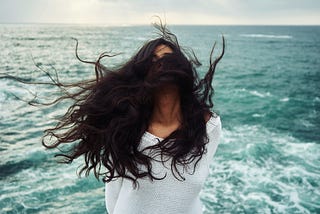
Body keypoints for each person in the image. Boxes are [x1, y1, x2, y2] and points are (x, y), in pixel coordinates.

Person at [25, 23, 224, 213]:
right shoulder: (126, 128)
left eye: (167, 59)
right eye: (153, 61)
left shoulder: (209, 126)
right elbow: (113, 196)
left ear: (182, 67)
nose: (161, 66)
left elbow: (192, 186)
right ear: (142, 73)